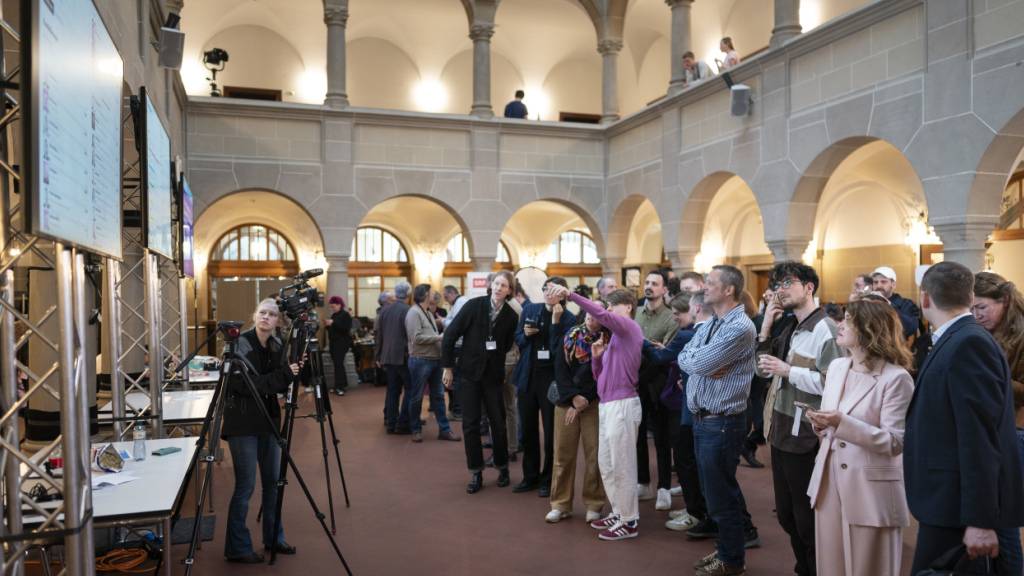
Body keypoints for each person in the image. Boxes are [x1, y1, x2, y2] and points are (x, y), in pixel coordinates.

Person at [904, 262, 1024, 574]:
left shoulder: (968, 342)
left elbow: (979, 439)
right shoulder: (958, 337)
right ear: (969, 296)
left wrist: (981, 521)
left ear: (925, 298)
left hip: (956, 504)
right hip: (947, 501)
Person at [805, 299, 914, 576]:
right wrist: (821, 425)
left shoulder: (896, 378)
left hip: (870, 489)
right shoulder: (838, 367)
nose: (839, 324)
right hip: (828, 481)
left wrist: (842, 423)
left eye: (848, 319)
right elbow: (834, 424)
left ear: (869, 328)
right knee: (831, 566)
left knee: (869, 568)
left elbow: (895, 442)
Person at [756, 262, 843, 576]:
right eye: (777, 283)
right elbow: (761, 370)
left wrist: (789, 371)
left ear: (809, 287)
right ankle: (803, 568)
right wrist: (765, 327)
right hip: (780, 428)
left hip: (805, 433)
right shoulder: (789, 325)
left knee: (806, 520)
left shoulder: (826, 329)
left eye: (788, 282)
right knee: (787, 517)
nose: (781, 289)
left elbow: (834, 384)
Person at [678, 265, 757, 576]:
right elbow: (686, 356)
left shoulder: (740, 327)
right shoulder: (715, 321)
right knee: (716, 493)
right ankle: (727, 551)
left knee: (722, 495)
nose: (704, 287)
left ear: (728, 290)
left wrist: (702, 363)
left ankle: (732, 560)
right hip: (704, 419)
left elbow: (702, 361)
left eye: (710, 283)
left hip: (722, 422)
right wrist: (701, 364)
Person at [551, 284, 644, 541]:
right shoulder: (615, 337)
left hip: (623, 404)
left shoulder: (629, 327)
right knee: (607, 463)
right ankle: (619, 511)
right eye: (609, 307)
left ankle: (629, 520)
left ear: (628, 307)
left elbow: (601, 315)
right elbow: (600, 377)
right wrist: (596, 358)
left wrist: (570, 295)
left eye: (613, 306)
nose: (609, 311)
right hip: (607, 404)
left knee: (622, 465)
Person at [222, 299, 300, 563]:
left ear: (278, 321)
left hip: (268, 421)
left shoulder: (278, 346)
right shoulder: (238, 344)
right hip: (242, 423)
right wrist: (285, 375)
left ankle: (274, 538)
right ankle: (238, 548)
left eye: (272, 314)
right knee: (245, 486)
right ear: (254, 315)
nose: (266, 317)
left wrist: (291, 371)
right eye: (262, 313)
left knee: (273, 484)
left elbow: (277, 381)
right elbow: (248, 386)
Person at [442, 271, 519, 494]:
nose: (498, 288)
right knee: (470, 425)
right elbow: (450, 335)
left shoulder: (511, 317)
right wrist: (447, 367)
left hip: (493, 377)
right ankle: (475, 472)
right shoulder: (473, 306)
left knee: (498, 423)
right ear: (490, 285)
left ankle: (502, 467)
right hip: (468, 375)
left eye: (503, 285)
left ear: (509, 291)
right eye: (496, 283)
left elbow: (505, 346)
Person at [973, 271, 1024, 575]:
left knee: (1005, 527)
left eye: (982, 307)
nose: (976, 316)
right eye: (972, 309)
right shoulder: (983, 332)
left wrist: (994, 373)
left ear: (1004, 301)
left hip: (1016, 432)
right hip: (992, 431)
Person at [642, 293, 703, 529]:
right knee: (687, 459)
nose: (675, 318)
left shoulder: (687, 334)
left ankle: (694, 510)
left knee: (685, 458)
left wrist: (642, 341)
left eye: (677, 314)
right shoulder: (694, 333)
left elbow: (660, 357)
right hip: (686, 400)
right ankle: (693, 507)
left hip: (684, 405)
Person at [512, 276, 575, 497]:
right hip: (528, 376)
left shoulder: (569, 318)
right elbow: (517, 339)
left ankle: (548, 479)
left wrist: (556, 324)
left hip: (551, 381)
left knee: (550, 433)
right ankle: (530, 476)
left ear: (564, 293)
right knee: (528, 430)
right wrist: (525, 336)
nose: (548, 293)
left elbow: (561, 352)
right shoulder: (530, 309)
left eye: (553, 290)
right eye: (545, 289)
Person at [546, 311, 607, 524]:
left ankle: (594, 504)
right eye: (589, 313)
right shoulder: (570, 335)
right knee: (562, 456)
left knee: (595, 456)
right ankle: (560, 504)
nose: (592, 317)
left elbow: (602, 375)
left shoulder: (608, 339)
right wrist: (573, 397)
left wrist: (585, 400)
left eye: (597, 313)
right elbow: (559, 369)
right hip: (566, 402)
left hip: (593, 403)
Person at [635, 270, 679, 509]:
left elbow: (666, 354)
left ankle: (663, 487)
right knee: (638, 435)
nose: (649, 287)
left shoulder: (671, 317)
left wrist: (651, 352)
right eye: (647, 283)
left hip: (660, 383)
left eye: (655, 284)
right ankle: (643, 482)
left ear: (664, 290)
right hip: (637, 381)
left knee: (662, 437)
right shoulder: (636, 313)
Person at [404, 284, 460, 444]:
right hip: (420, 360)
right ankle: (415, 429)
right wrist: (439, 338)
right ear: (424, 295)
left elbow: (428, 334)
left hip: (435, 360)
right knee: (416, 397)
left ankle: (444, 430)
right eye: (431, 293)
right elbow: (416, 338)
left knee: (439, 397)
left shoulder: (428, 312)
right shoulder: (414, 313)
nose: (435, 295)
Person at [378, 282, 412, 434]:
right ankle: (403, 422)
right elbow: (410, 335)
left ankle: (391, 423)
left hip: (387, 356)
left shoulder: (384, 310)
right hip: (403, 356)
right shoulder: (408, 310)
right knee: (410, 389)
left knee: (392, 390)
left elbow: (380, 335)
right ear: (408, 294)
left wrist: (378, 356)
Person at [870, 266, 920, 340]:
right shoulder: (869, 304)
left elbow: (911, 328)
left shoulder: (906, 304)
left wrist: (888, 304)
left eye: (883, 282)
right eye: (875, 282)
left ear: (893, 285)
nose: (879, 285)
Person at [443, 285, 469, 419]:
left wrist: (442, 321)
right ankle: (455, 408)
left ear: (452, 293)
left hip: (459, 346)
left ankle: (458, 410)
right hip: (457, 346)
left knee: (457, 379)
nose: (446, 300)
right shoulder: (457, 303)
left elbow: (456, 324)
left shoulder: (461, 302)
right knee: (454, 379)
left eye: (446, 297)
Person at [325, 296, 353, 396]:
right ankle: (342, 384)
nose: (332, 308)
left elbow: (345, 329)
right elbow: (333, 329)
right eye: (331, 307)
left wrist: (333, 323)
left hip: (341, 343)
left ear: (339, 305)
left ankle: (339, 387)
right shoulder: (334, 315)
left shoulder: (345, 315)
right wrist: (328, 326)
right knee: (338, 364)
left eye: (333, 306)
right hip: (334, 343)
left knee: (338, 364)